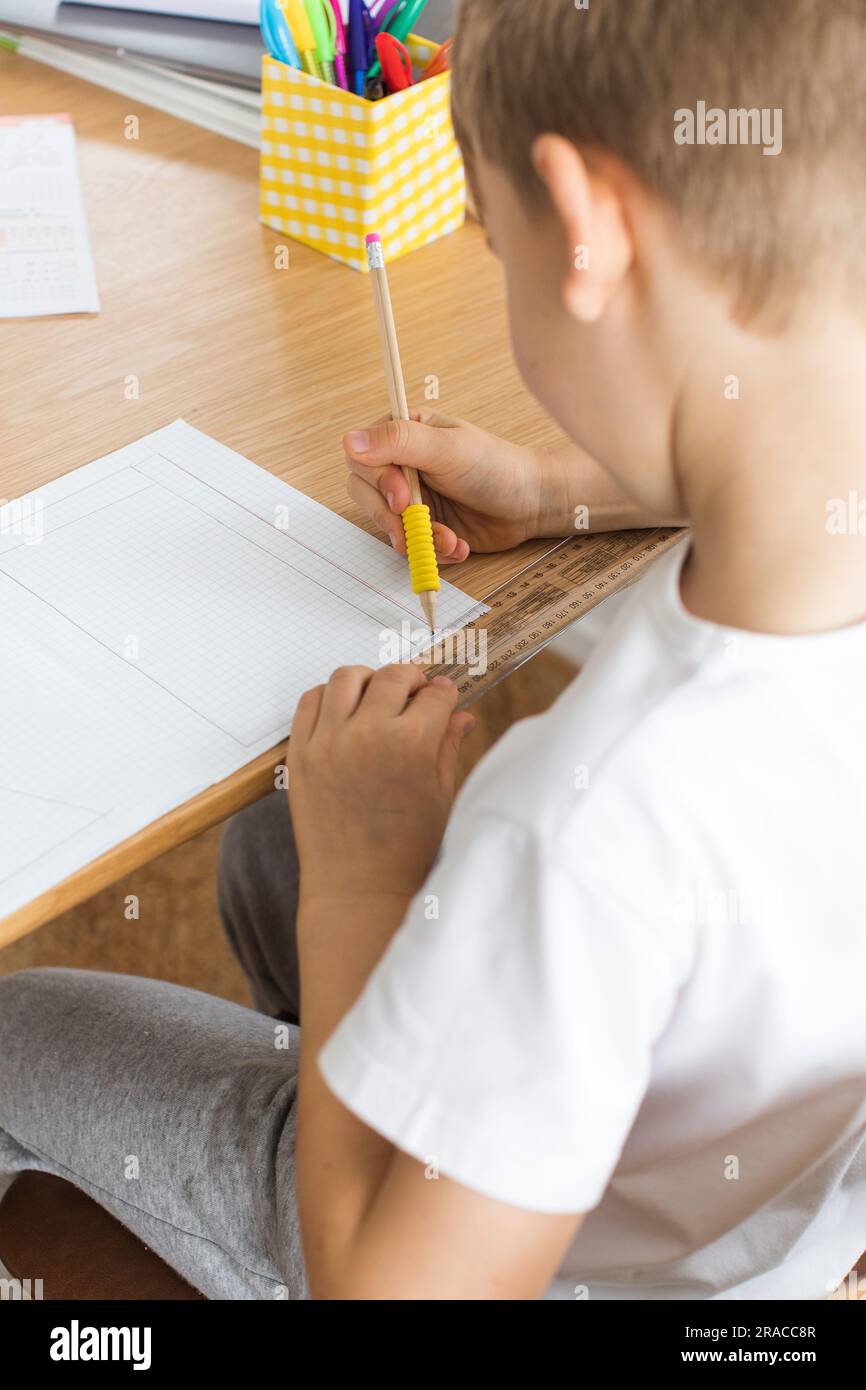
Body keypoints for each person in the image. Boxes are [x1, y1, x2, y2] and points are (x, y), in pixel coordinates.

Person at [2, 0, 865, 1299]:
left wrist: (372, 876)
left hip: (471, 1253)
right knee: (268, 838)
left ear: (579, 227)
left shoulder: (586, 818)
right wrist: (550, 490)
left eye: (492, 239)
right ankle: (374, 1053)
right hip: (758, 1224)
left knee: (20, 1029)